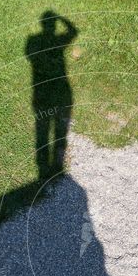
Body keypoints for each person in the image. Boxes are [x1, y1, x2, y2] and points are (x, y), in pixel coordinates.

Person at [25, 11, 78, 178]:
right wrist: (62, 18)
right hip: (59, 89)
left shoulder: (33, 41)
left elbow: (29, 55)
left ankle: (44, 170)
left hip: (41, 90)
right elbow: (73, 31)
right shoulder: (57, 41)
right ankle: (56, 167)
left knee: (42, 127)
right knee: (59, 128)